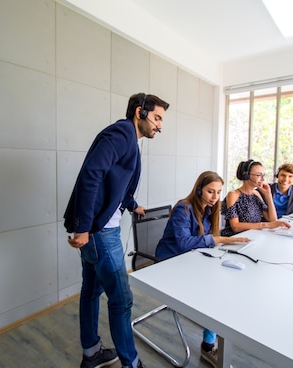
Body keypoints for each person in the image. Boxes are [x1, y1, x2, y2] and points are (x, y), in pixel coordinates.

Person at [64, 92, 169, 368]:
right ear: (140, 112)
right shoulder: (123, 132)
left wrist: (133, 205)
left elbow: (116, 180)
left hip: (97, 232)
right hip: (100, 234)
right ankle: (131, 363)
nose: (160, 125)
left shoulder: (130, 141)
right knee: (122, 300)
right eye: (157, 117)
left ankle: (92, 354)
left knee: (90, 291)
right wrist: (83, 228)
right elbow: (91, 174)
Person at [155, 171, 249, 367]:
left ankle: (213, 335)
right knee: (215, 291)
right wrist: (219, 239)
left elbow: (203, 241)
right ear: (199, 190)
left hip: (189, 261)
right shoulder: (184, 208)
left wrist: (221, 243)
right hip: (169, 263)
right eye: (210, 191)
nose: (215, 197)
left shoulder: (210, 209)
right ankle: (208, 347)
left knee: (224, 281)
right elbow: (183, 243)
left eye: (218, 192)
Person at [221, 159, 290, 237]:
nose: (263, 179)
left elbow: (273, 220)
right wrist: (265, 225)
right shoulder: (233, 195)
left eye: (263, 175)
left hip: (252, 237)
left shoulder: (256, 194)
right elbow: (235, 227)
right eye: (258, 175)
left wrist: (268, 195)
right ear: (246, 175)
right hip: (235, 238)